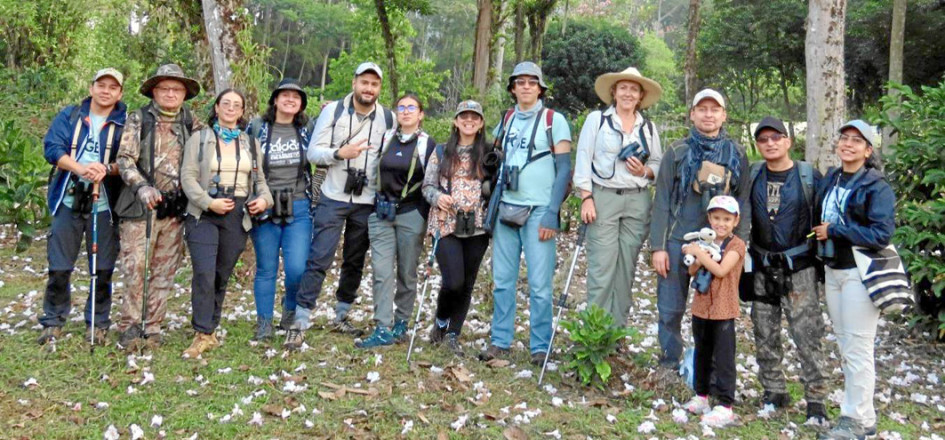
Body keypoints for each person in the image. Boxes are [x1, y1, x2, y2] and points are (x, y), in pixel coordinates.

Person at [287, 62, 395, 349]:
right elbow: (313, 152)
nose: (368, 89)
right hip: (333, 195)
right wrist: (339, 153)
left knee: (355, 259)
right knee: (320, 256)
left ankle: (342, 313)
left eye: (374, 84)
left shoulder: (387, 117)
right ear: (354, 82)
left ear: (379, 88)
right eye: (364, 82)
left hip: (367, 199)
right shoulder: (333, 111)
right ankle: (301, 317)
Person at [478, 62, 572, 365]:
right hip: (506, 205)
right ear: (513, 88)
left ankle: (540, 346)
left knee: (540, 285)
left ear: (541, 88)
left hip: (538, 210)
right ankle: (500, 341)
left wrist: (552, 214)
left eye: (533, 82)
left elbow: (564, 170)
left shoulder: (553, 121)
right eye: (520, 82)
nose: (526, 87)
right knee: (503, 280)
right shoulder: (506, 119)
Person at [650, 88, 750, 370]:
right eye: (702, 109)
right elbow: (662, 199)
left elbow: (743, 200)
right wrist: (658, 246)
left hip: (719, 248)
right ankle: (669, 361)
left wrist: (737, 247)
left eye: (714, 109)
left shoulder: (737, 154)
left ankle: (709, 367)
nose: (708, 114)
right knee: (670, 308)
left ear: (723, 115)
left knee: (715, 310)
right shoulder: (677, 152)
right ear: (692, 114)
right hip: (677, 240)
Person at [812, 120, 895, 440]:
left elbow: (881, 233)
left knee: (858, 347)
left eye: (856, 141)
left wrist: (836, 231)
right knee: (847, 346)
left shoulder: (877, 186)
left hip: (861, 273)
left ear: (868, 150)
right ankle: (865, 416)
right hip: (834, 271)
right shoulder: (832, 178)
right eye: (844, 138)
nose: (848, 144)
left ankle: (852, 420)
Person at [746, 116, 828, 423]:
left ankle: (816, 402)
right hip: (762, 265)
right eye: (763, 139)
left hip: (800, 268)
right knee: (764, 331)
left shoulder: (809, 176)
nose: (770, 143)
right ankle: (774, 391)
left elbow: (825, 211)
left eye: (776, 137)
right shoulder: (753, 175)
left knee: (807, 334)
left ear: (788, 141)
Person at [179, 89, 272, 359]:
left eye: (237, 105)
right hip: (204, 212)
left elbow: (261, 181)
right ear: (216, 108)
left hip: (237, 212)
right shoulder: (200, 139)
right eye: (226, 103)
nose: (231, 108)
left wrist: (264, 200)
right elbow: (188, 177)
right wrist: (208, 202)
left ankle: (211, 327)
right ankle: (203, 332)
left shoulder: (250, 144)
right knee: (204, 272)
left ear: (242, 112)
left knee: (222, 272)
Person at [38, 68, 126, 346]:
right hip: (69, 198)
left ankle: (98, 322)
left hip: (105, 204)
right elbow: (52, 147)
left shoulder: (125, 122)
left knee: (102, 267)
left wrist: (107, 169)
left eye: (113, 87)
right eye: (101, 85)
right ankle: (53, 320)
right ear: (92, 88)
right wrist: (80, 168)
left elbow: (130, 159)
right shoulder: (71, 115)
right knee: (60, 265)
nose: (106, 91)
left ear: (120, 93)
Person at [115, 63, 201, 347]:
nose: (170, 93)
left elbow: (209, 151)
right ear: (154, 90)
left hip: (175, 209)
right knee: (135, 267)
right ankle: (130, 324)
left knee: (165, 270)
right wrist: (141, 187)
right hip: (141, 208)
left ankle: (152, 326)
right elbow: (125, 159)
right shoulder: (138, 118)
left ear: (184, 93)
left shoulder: (191, 121)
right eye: (164, 88)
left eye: (176, 89)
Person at [573, 66, 664, 327]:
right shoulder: (597, 120)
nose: (627, 93)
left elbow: (658, 163)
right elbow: (583, 158)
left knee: (626, 269)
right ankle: (594, 335)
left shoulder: (647, 127)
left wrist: (645, 170)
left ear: (640, 96)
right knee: (602, 269)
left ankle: (616, 335)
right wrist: (586, 196)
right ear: (613, 92)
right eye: (623, 87)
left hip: (638, 200)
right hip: (603, 198)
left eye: (633, 89)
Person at [356, 93, 436, 348]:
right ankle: (382, 327)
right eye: (401, 107)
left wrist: (424, 215)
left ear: (421, 114)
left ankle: (401, 322)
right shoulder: (386, 138)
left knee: (406, 272)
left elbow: (432, 181)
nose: (406, 111)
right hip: (381, 214)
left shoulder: (427, 144)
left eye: (412, 107)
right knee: (381, 271)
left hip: (411, 214)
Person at [422, 100, 495, 357]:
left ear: (481, 123)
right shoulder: (441, 152)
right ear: (455, 121)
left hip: (477, 226)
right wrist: (437, 198)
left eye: (474, 117)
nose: (469, 120)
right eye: (464, 116)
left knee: (467, 283)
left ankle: (453, 333)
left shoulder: (489, 153)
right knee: (453, 281)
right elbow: (427, 185)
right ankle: (441, 321)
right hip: (446, 223)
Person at [246, 78, 316, 341]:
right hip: (265, 205)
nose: (290, 100)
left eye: (296, 97)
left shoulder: (307, 129)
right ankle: (264, 321)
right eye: (284, 95)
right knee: (267, 268)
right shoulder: (258, 128)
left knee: (297, 268)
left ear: (301, 105)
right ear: (275, 100)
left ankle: (289, 312)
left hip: (299, 205)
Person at [681, 195, 746, 428]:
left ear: (735, 221)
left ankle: (726, 404)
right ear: (709, 218)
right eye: (716, 218)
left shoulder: (737, 245)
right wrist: (696, 255)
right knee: (702, 352)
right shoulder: (704, 242)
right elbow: (692, 271)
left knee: (724, 356)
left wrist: (699, 253)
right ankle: (701, 395)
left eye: (727, 219)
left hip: (723, 309)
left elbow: (720, 270)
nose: (721, 224)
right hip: (701, 307)